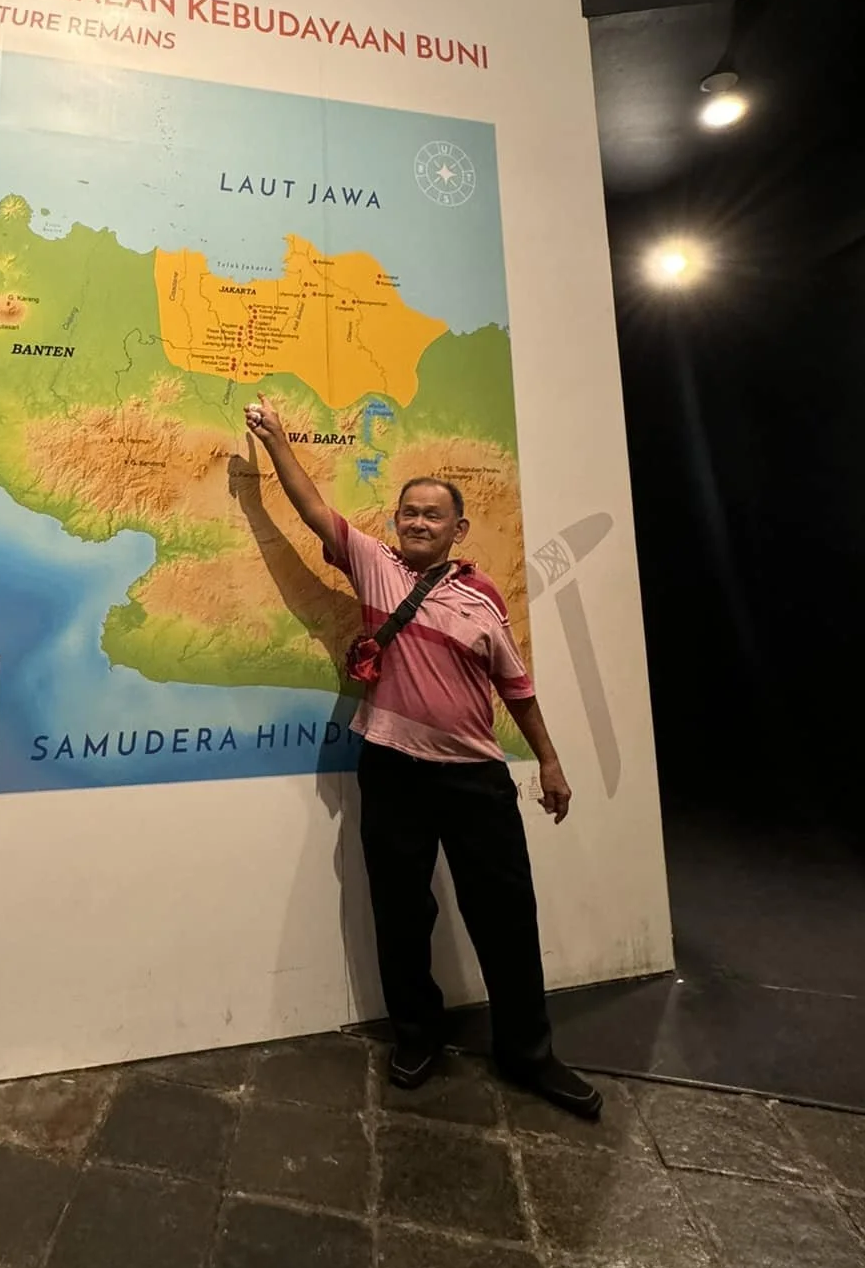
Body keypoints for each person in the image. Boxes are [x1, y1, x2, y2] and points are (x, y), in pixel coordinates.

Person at [243, 395, 602, 1120]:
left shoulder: (483, 598)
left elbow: (517, 688)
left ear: (457, 529)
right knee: (402, 912)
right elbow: (311, 508)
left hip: (476, 780)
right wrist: (276, 439)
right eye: (408, 512)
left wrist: (550, 762)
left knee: (506, 916)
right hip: (392, 771)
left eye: (432, 515)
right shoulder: (374, 567)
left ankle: (528, 1053)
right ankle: (417, 1036)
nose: (417, 522)